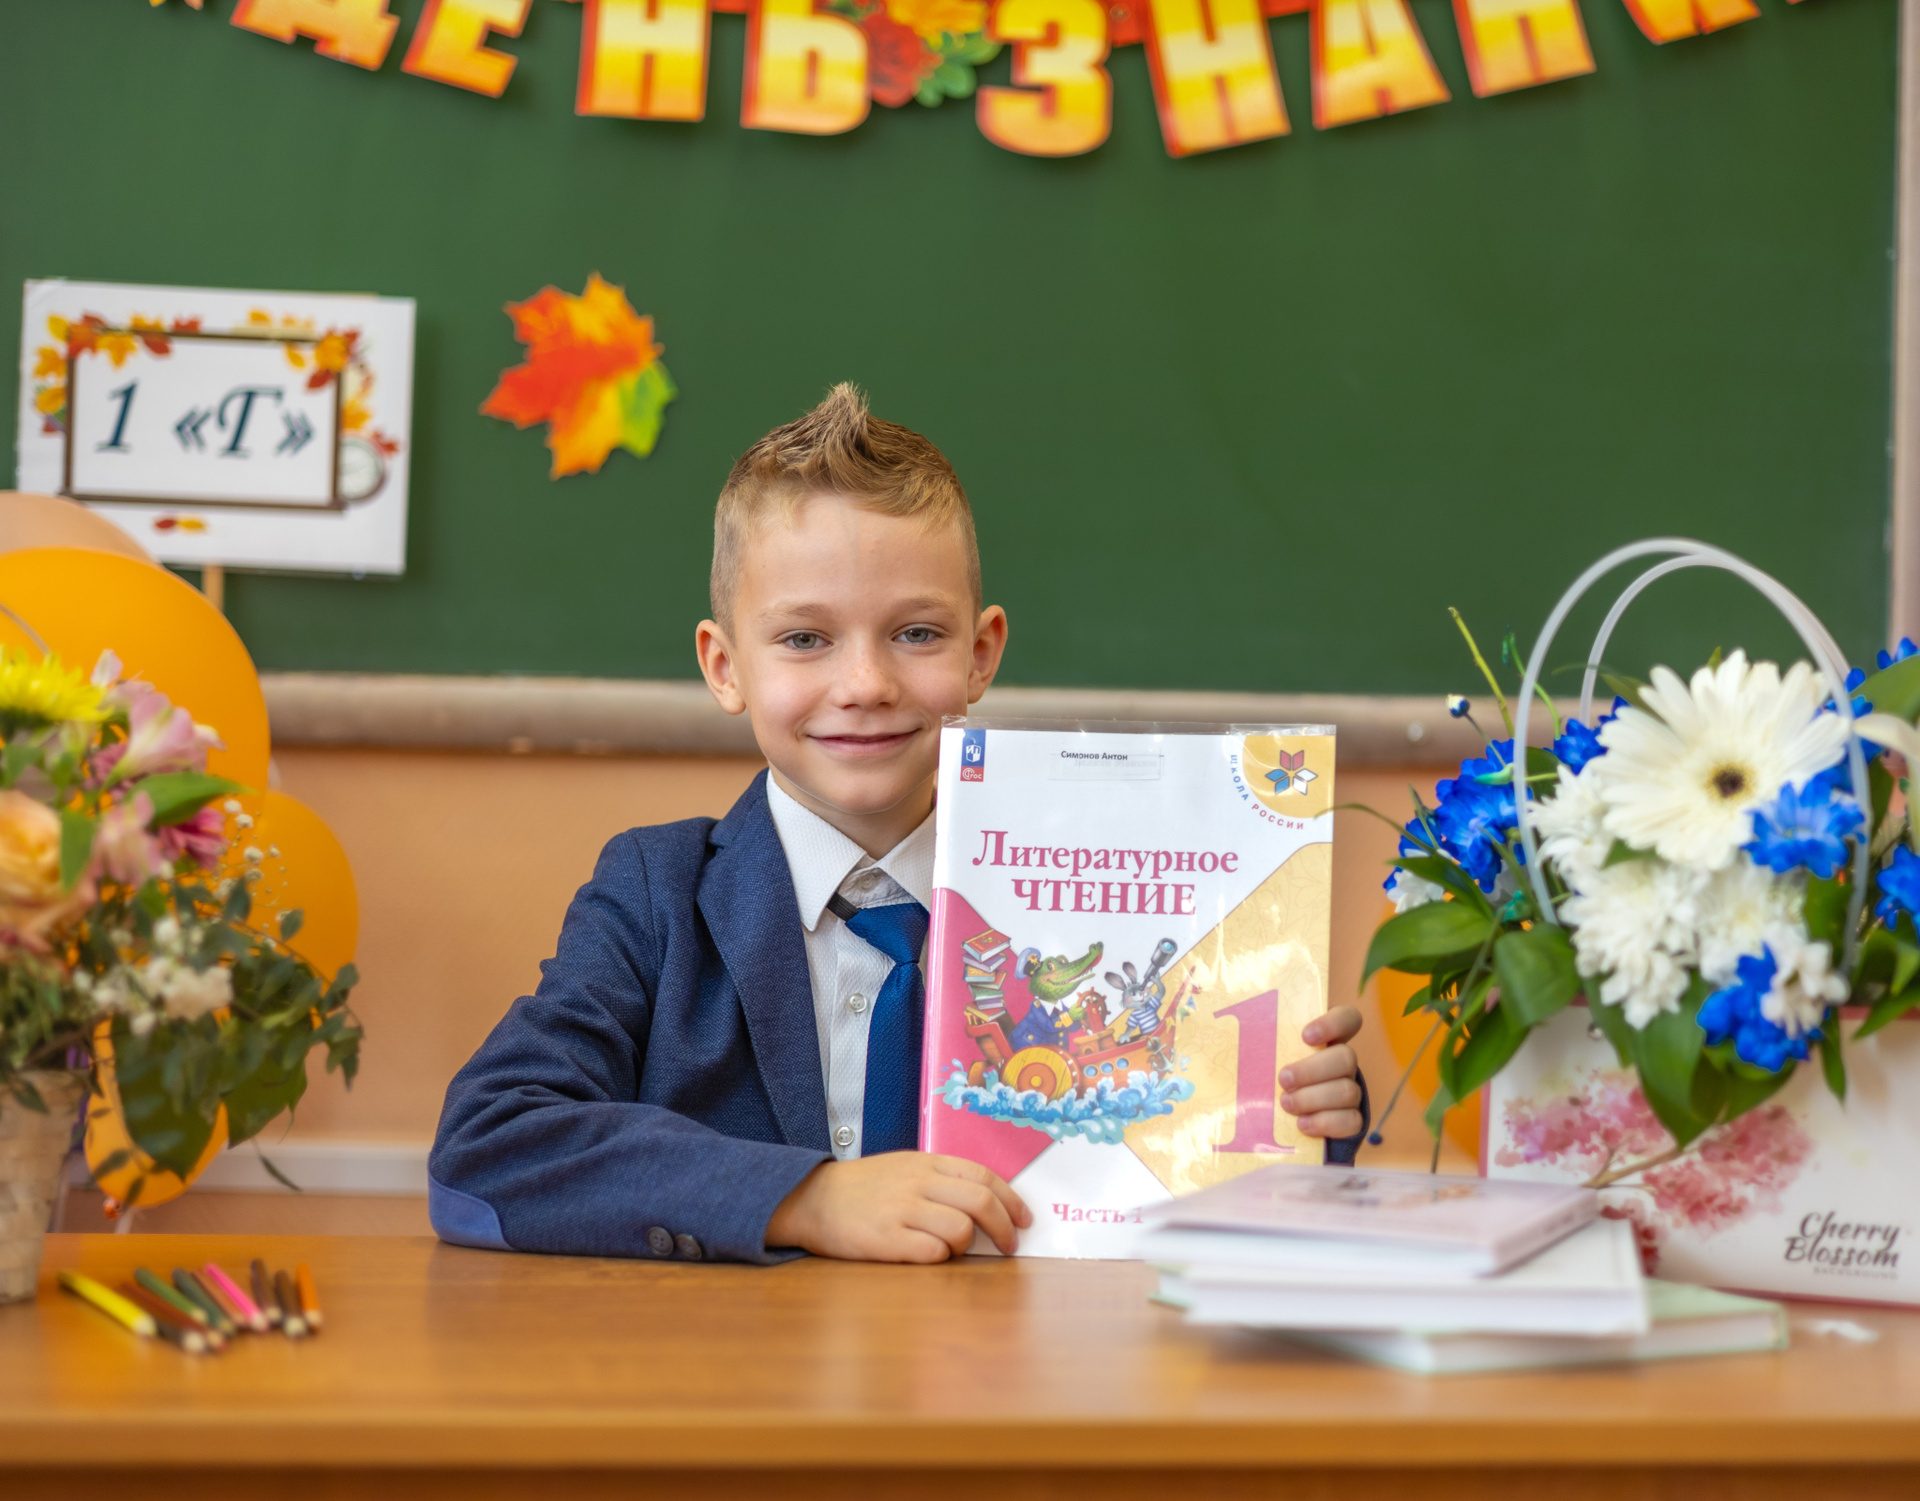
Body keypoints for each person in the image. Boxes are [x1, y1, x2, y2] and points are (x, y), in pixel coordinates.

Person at [428, 385, 1368, 1265]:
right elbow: (488, 1144)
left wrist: (1304, 1122)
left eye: (916, 633)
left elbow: (1188, 1151)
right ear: (725, 666)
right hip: (740, 1370)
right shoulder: (655, 894)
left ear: (981, 652)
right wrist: (807, 1198)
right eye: (805, 638)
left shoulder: (1086, 897)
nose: (866, 683)